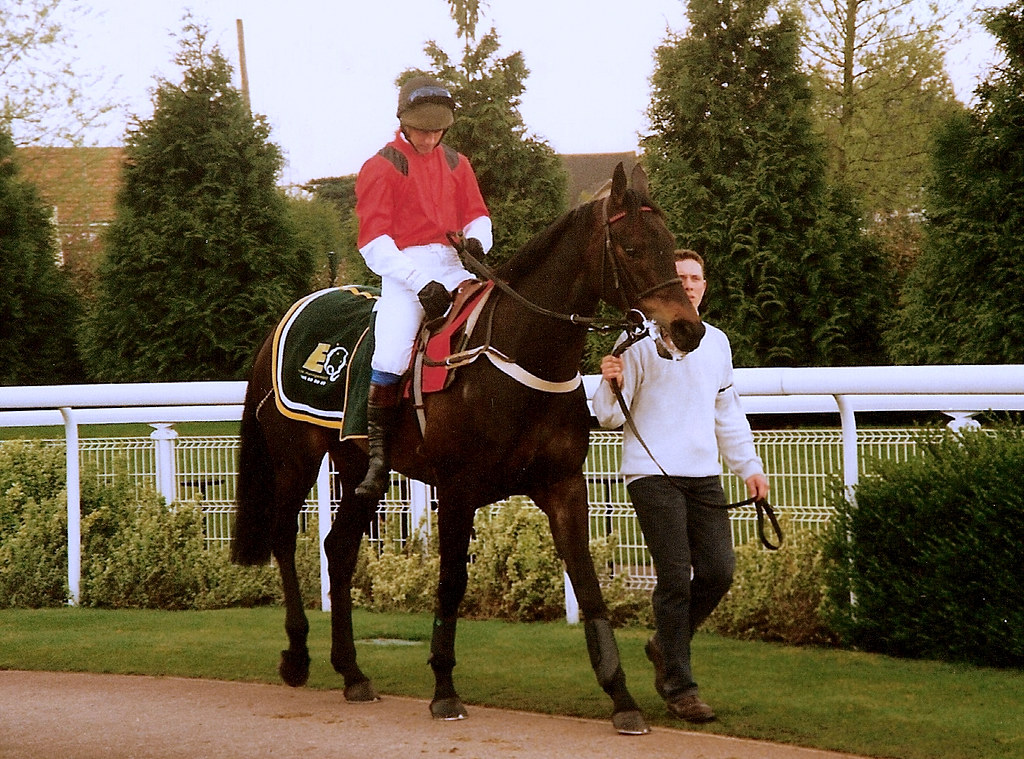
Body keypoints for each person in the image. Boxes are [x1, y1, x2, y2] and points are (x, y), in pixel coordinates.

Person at [591, 249, 769, 723]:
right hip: (651, 475)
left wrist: (749, 466)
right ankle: (680, 688)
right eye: (680, 277)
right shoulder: (637, 344)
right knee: (675, 577)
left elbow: (726, 413)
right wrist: (609, 382)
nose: (688, 284)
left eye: (695, 277)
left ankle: (663, 646)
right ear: (666, 286)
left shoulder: (718, 345)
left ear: (704, 286)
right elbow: (608, 417)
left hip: (703, 475)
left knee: (719, 571)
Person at [353, 75, 492, 502]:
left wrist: (477, 242)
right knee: (393, 351)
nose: (431, 135)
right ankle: (378, 459)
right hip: (404, 270)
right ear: (403, 121)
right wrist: (417, 282)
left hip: (455, 263)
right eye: (423, 127)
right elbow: (374, 242)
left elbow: (478, 215)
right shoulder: (381, 166)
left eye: (438, 127)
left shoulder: (457, 163)